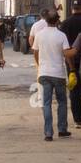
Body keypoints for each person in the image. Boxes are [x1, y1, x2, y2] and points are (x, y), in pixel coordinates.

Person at [33, 10, 71, 141]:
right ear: (57, 21)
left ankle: (48, 133)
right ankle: (62, 129)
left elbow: (35, 52)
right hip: (58, 73)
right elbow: (66, 54)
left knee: (46, 103)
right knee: (62, 102)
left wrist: (40, 65)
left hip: (44, 73)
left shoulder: (39, 35)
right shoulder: (62, 35)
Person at [61, 0, 81, 127]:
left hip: (71, 61)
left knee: (74, 90)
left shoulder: (66, 23)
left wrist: (71, 66)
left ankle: (78, 120)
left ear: (72, 8)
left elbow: (65, 47)